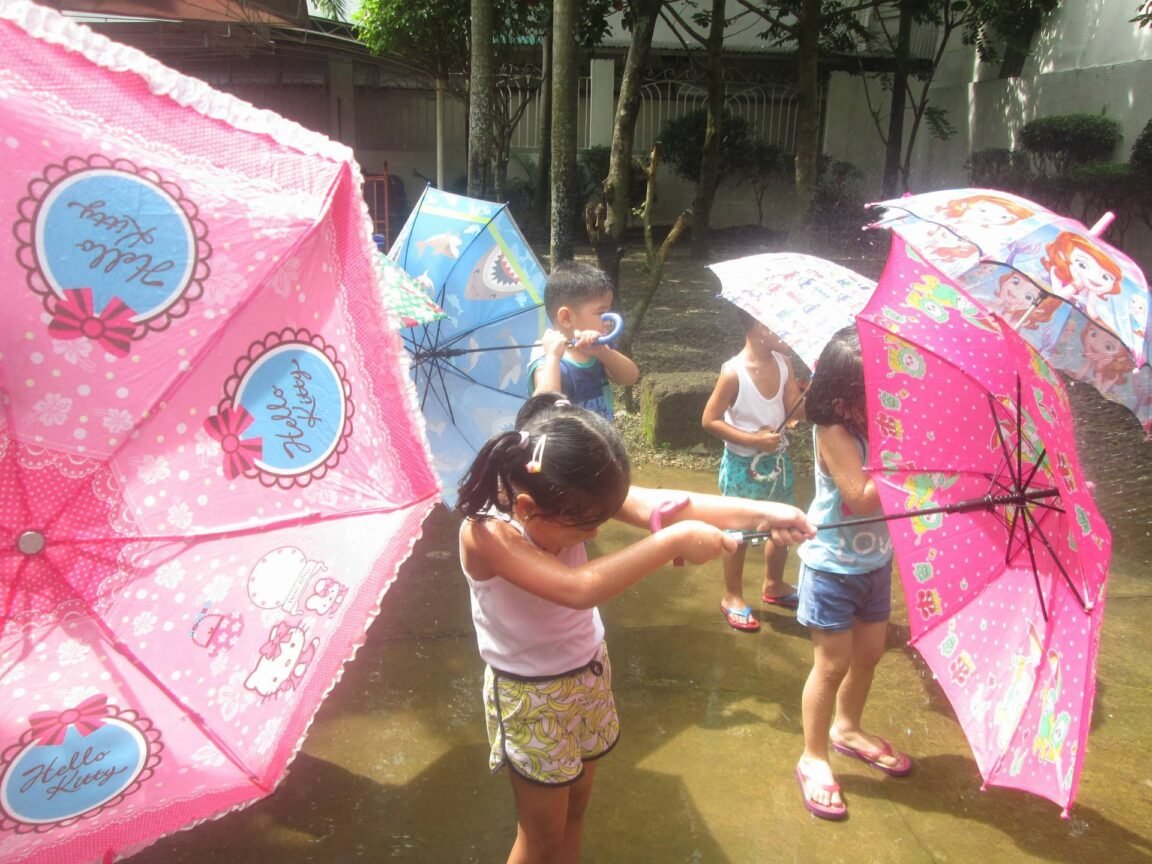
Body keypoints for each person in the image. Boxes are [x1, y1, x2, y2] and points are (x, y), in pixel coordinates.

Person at [458, 393, 815, 861]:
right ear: (526, 508)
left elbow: (667, 506)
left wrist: (766, 514)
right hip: (531, 697)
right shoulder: (486, 532)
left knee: (577, 808)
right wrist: (674, 541)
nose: (595, 534)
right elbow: (578, 587)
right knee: (540, 836)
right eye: (586, 527)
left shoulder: (566, 494)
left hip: (587, 673)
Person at [793, 325, 912, 821]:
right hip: (833, 567)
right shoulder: (833, 432)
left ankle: (847, 728)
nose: (884, 398)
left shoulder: (876, 424)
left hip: (873, 563)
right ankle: (813, 755)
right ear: (843, 398)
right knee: (833, 663)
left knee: (869, 653)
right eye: (873, 391)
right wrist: (906, 459)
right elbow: (859, 498)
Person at [701, 308, 805, 631]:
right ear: (761, 326)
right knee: (738, 532)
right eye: (780, 324)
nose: (787, 331)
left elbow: (793, 410)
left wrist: (803, 400)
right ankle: (732, 595)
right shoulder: (733, 373)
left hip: (777, 463)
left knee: (782, 522)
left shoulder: (784, 364)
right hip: (742, 466)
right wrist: (753, 440)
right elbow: (710, 420)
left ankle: (773, 584)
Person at [529, 261, 639, 419]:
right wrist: (552, 357)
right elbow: (543, 407)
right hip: (567, 443)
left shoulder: (598, 350)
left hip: (601, 441)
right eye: (601, 312)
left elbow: (630, 378)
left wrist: (603, 352)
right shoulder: (544, 356)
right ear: (566, 317)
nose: (607, 320)